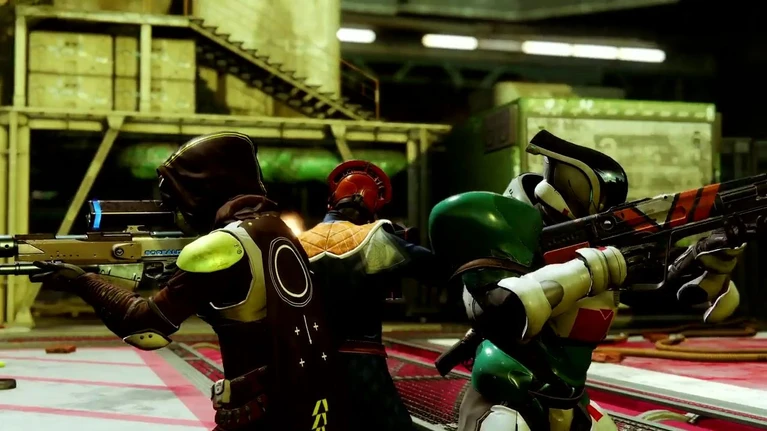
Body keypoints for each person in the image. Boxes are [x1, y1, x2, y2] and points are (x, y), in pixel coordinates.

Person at [30, 132, 348, 431]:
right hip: (310, 397)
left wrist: (83, 282)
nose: (176, 212)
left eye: (178, 199)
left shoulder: (223, 245)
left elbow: (145, 329)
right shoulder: (278, 229)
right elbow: (245, 302)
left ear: (202, 191)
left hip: (260, 410)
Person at [428, 130, 744, 431]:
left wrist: (705, 261)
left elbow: (677, 297)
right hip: (507, 399)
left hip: (571, 401)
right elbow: (499, 308)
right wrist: (598, 268)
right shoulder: (505, 234)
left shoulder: (602, 252)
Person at [297, 160, 442, 431]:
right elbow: (433, 269)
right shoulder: (374, 238)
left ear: (332, 201)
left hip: (310, 363)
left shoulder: (298, 243)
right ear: (369, 206)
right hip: (363, 363)